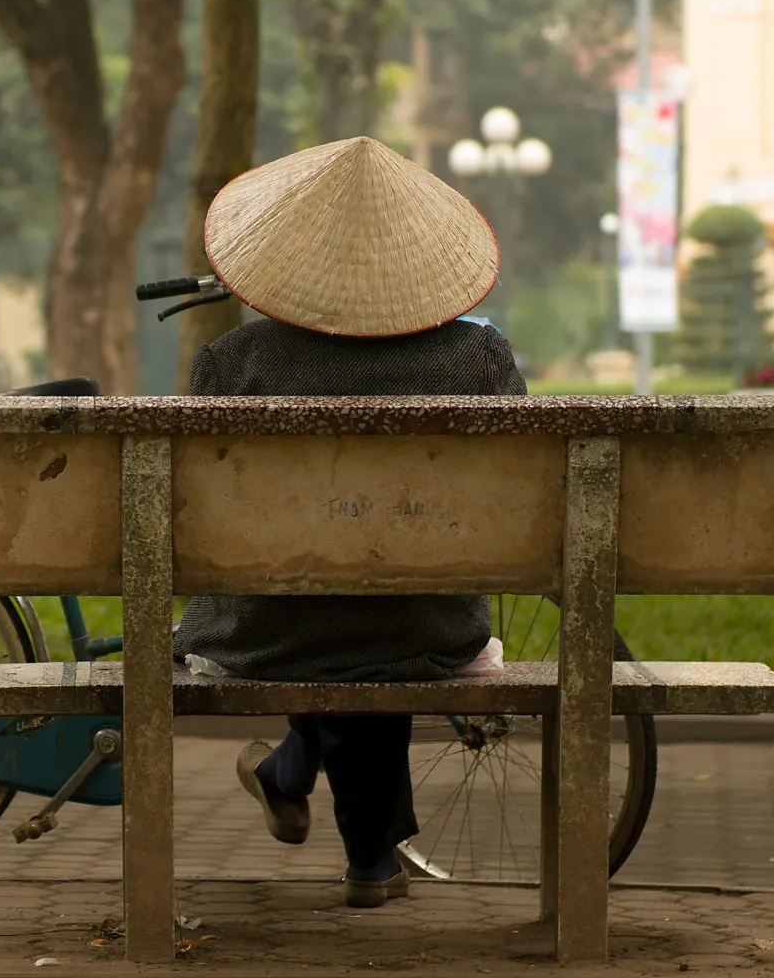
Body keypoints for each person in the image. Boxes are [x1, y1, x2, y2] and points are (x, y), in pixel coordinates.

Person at [170, 135, 518, 909]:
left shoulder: (233, 363)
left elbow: (197, 515)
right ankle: (358, 847)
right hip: (429, 625)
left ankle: (299, 778)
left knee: (324, 595)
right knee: (375, 600)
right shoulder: (477, 362)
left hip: (269, 628)